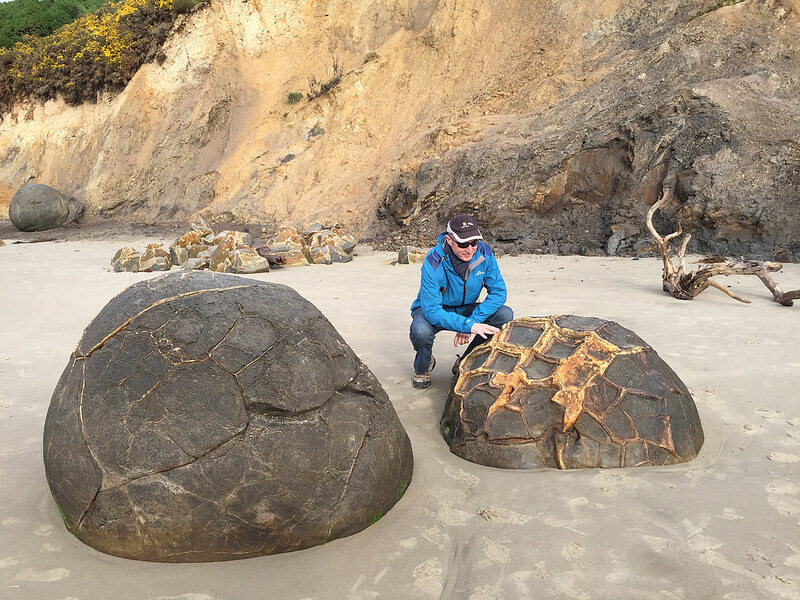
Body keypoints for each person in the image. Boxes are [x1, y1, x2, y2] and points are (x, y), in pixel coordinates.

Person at [409, 214, 514, 389]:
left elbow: (499, 293)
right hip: (434, 309)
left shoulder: (485, 253)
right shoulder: (432, 261)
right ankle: (423, 366)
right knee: (420, 331)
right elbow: (432, 310)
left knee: (505, 314)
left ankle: (466, 362)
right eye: (463, 244)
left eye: (474, 243)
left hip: (468, 308)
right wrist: (467, 325)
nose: (470, 249)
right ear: (449, 240)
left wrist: (472, 320)